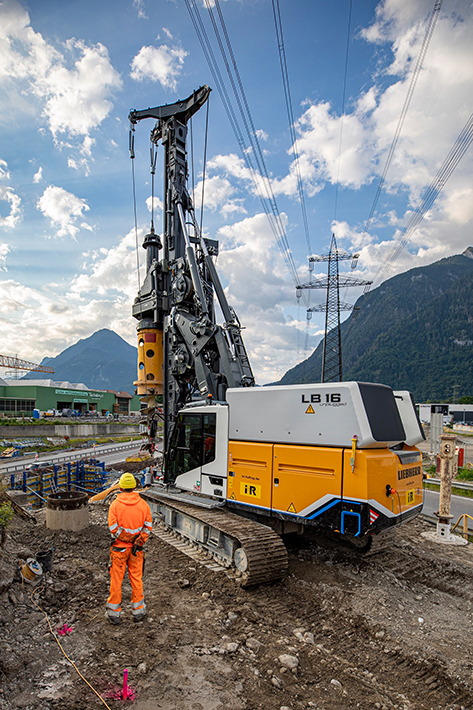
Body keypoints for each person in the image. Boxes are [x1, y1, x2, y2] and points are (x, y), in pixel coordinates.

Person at [106, 473, 153, 625]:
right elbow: (148, 527)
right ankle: (138, 611)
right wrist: (139, 541)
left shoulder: (115, 505)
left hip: (119, 550)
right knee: (136, 579)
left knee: (116, 581)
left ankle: (114, 614)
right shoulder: (143, 505)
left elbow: (114, 528)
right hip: (136, 550)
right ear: (134, 487)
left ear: (120, 487)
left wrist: (127, 538)